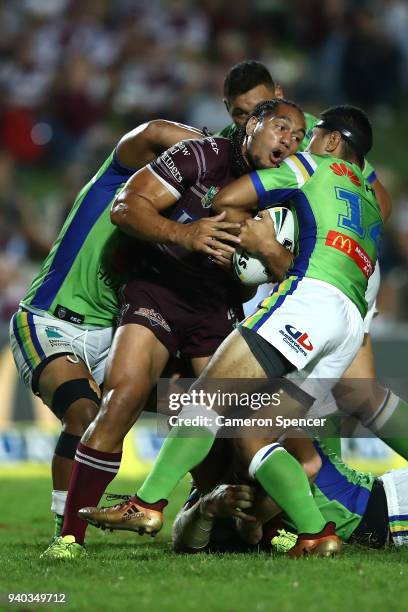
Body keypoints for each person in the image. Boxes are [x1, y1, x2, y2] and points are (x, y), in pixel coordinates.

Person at [78, 105, 381, 557]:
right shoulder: (372, 201)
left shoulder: (311, 166)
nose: (299, 144)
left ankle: (147, 503)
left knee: (206, 397)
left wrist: (257, 242)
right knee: (254, 434)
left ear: (333, 141)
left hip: (310, 301)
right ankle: (318, 534)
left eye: (309, 134)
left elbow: (226, 200)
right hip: (350, 322)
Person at [41, 99, 307, 560]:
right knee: (121, 397)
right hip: (157, 292)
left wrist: (249, 268)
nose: (290, 139)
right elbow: (126, 207)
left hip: (214, 311)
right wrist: (184, 234)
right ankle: (69, 539)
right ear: (251, 125)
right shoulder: (201, 156)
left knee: (245, 428)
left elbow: (265, 280)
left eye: (299, 135)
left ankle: (268, 527)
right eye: (281, 126)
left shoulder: (285, 195)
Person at [9, 118, 212, 538]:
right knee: (84, 414)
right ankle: (67, 530)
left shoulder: (171, 220)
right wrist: (214, 150)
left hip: (112, 338)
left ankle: (210, 500)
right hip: (49, 321)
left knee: (204, 404)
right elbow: (155, 131)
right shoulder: (121, 178)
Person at [219, 60, 393, 460]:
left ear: (279, 97)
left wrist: (311, 242)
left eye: (263, 108)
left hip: (332, 267)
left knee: (280, 392)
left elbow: (379, 203)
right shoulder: (243, 138)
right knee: (356, 393)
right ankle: (318, 490)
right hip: (315, 268)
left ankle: (320, 488)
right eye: (242, 114)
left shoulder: (318, 136)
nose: (255, 121)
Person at [172, 437, 406, 555]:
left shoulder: (267, 426)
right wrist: (206, 508)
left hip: (388, 504)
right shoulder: (219, 489)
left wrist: (252, 519)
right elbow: (182, 539)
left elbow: (308, 467)